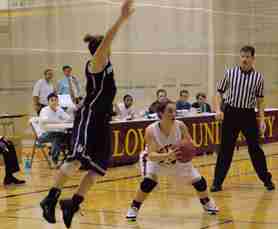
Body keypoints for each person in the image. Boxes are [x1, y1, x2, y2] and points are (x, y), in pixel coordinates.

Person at [39, 1, 135, 228]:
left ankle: (73, 203)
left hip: (102, 120)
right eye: (105, 45)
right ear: (100, 48)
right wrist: (121, 19)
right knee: (75, 161)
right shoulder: (96, 63)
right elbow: (108, 40)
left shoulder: (106, 64)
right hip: (89, 117)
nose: (109, 47)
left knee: (98, 169)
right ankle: (49, 198)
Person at [126, 99, 218, 221]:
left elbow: (189, 142)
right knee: (149, 182)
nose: (173, 114)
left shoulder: (180, 125)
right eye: (170, 111)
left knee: (199, 181)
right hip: (155, 160)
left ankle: (206, 202)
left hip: (176, 159)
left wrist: (190, 148)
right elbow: (151, 155)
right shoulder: (151, 130)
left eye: (175, 111)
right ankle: (134, 207)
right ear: (160, 113)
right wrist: (167, 156)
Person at [210, 45, 275, 192]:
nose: (244, 59)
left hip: (248, 114)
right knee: (226, 149)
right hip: (231, 113)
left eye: (247, 57)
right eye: (242, 56)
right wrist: (218, 109)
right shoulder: (230, 73)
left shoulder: (258, 77)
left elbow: (260, 100)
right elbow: (218, 92)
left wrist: (262, 119)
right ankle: (217, 182)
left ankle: (266, 179)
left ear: (253, 59)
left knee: (255, 149)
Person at [38, 93, 72, 166]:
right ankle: (55, 159)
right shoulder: (44, 110)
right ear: (48, 102)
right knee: (56, 136)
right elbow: (45, 120)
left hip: (57, 133)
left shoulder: (59, 109)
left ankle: (68, 156)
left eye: (56, 100)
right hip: (44, 135)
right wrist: (60, 121)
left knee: (69, 135)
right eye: (52, 100)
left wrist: (63, 120)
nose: (54, 102)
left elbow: (68, 118)